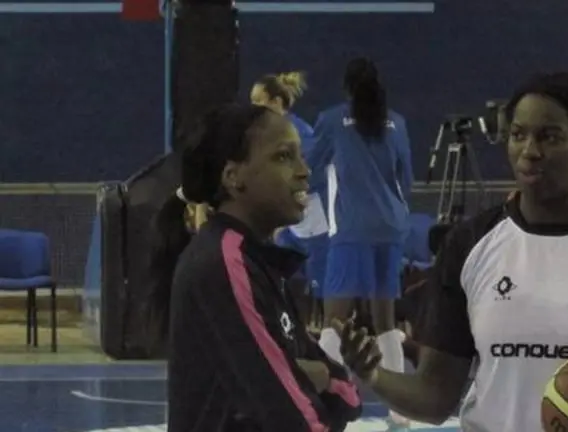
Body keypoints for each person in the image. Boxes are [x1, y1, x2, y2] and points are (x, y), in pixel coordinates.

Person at [332, 72, 568, 431]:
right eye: (518, 135)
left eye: (549, 137)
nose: (529, 151)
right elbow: (435, 397)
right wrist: (373, 374)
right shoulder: (469, 244)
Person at [146, 103, 362, 432]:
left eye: (301, 156)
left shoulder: (260, 262)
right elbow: (292, 416)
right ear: (234, 177)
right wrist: (308, 376)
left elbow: (347, 395)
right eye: (283, 157)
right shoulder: (225, 263)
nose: (304, 171)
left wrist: (312, 375)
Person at [305, 57, 413, 430]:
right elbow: (406, 178)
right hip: (392, 227)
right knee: (386, 321)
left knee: (335, 321)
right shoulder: (397, 122)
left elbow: (309, 168)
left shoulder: (332, 120)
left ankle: (321, 403)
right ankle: (401, 411)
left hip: (351, 229)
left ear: (347, 88)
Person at [251, 71, 330, 318]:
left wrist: (298, 193)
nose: (254, 107)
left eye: (259, 100)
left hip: (314, 224)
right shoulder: (265, 135)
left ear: (276, 102)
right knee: (279, 282)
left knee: (323, 292)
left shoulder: (299, 132)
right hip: (290, 226)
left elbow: (316, 171)